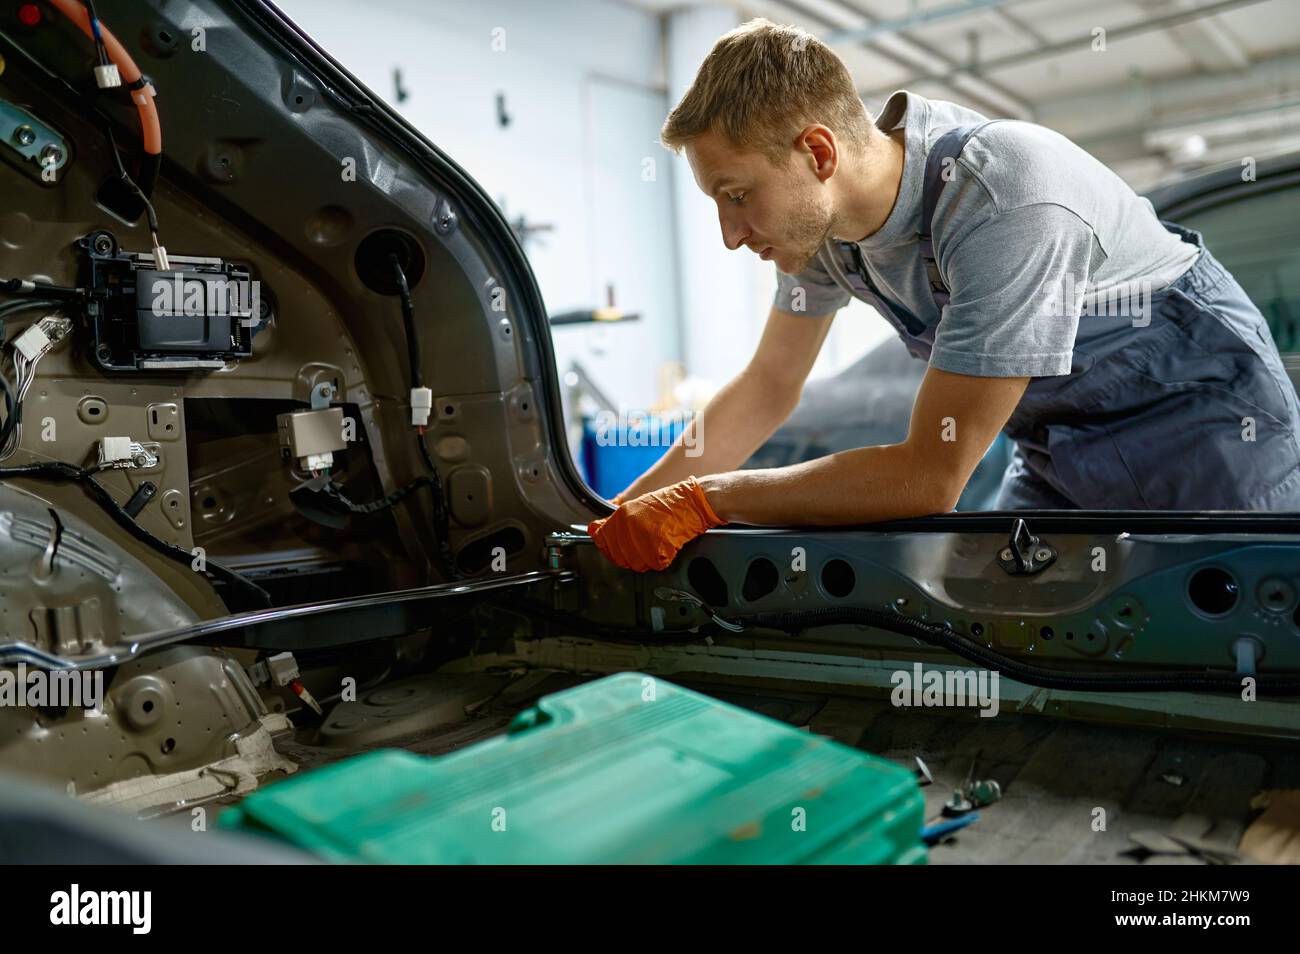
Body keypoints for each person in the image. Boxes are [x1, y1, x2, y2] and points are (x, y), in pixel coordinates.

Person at [588, 18, 1300, 572]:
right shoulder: (822, 236)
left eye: (737, 196)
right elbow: (768, 387)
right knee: (998, 620)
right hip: (1062, 449)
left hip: (1211, 433)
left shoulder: (1004, 199)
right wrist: (621, 511)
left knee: (1236, 652)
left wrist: (714, 500)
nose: (730, 235)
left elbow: (930, 477)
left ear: (818, 154)